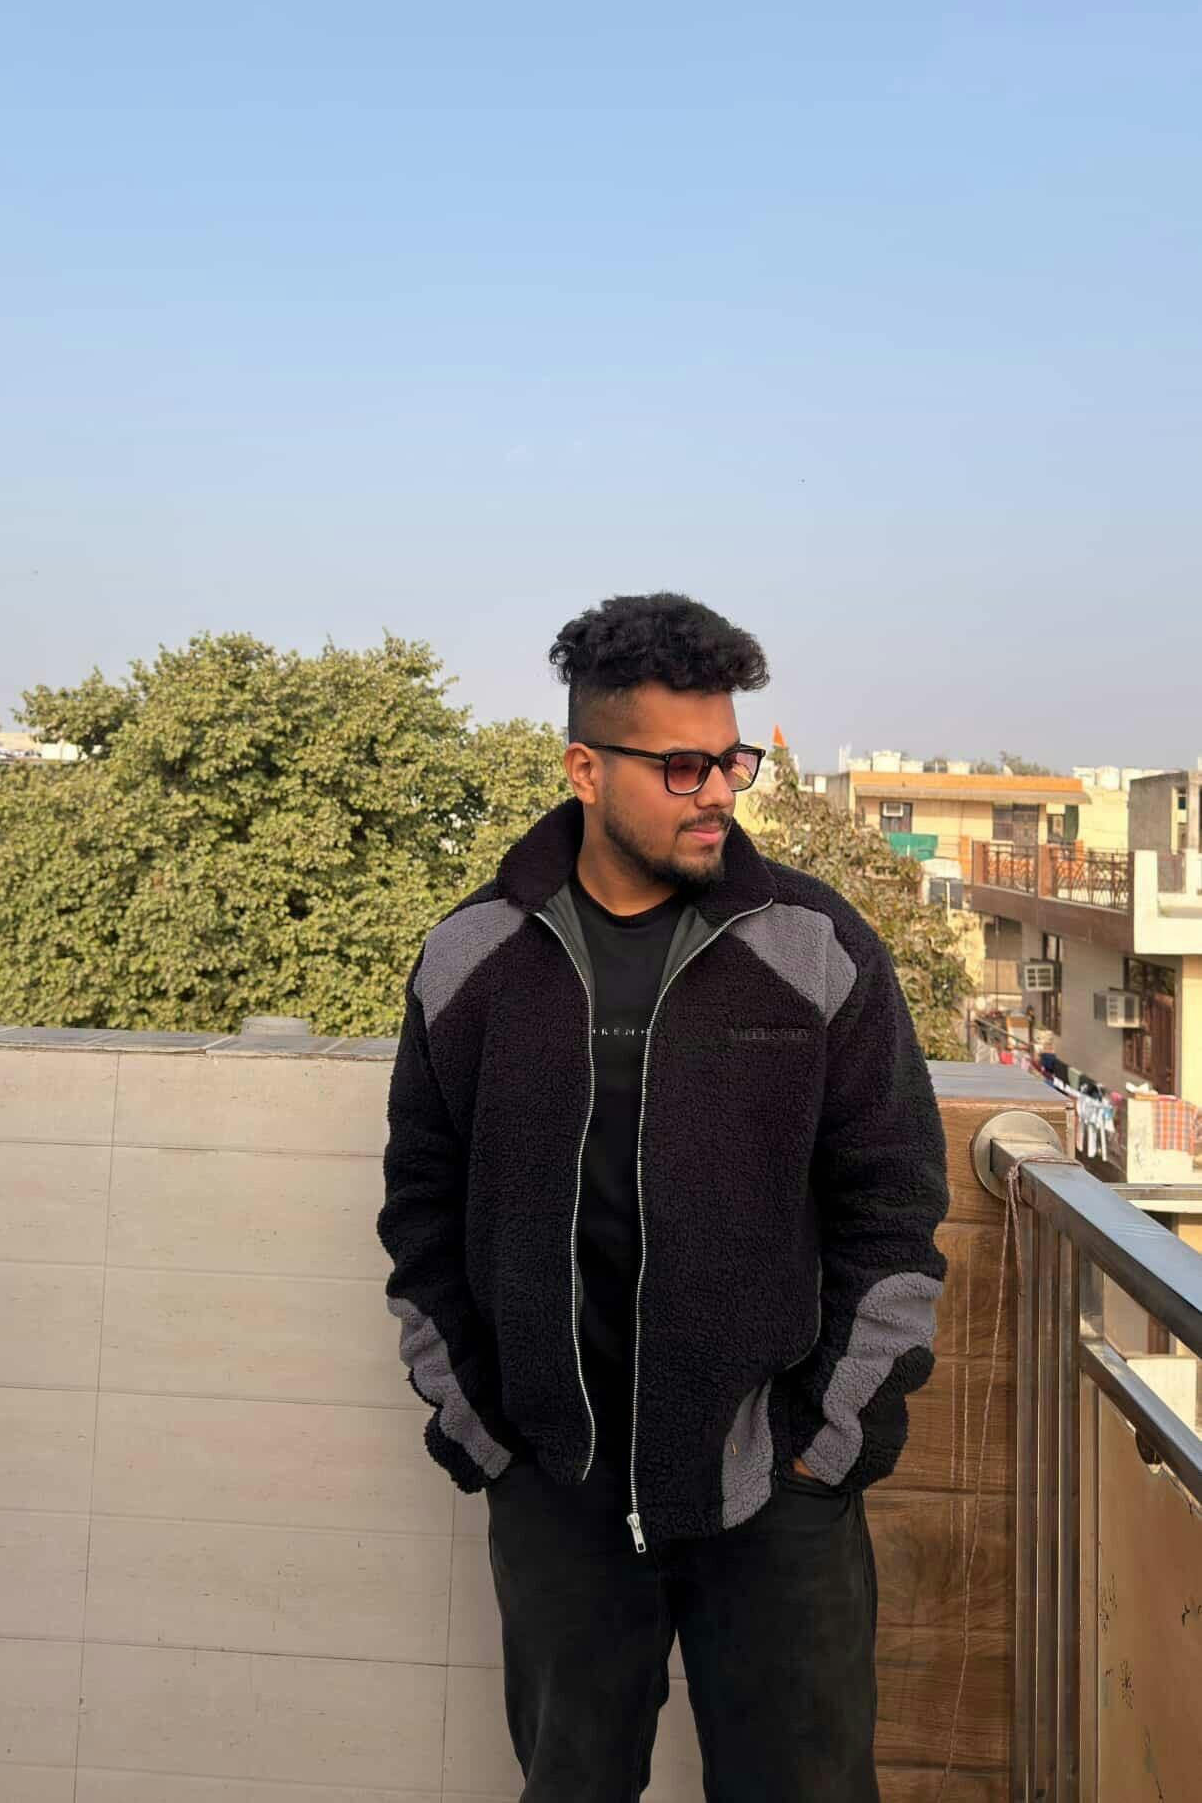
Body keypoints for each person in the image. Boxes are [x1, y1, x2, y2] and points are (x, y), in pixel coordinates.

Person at [377, 591, 949, 1802]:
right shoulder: (473, 956)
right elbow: (422, 1198)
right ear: (585, 769)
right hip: (558, 1483)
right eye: (681, 765)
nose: (718, 792)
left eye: (730, 759)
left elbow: (893, 1198)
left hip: (771, 1483)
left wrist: (827, 1441)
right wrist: (482, 1426)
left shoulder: (813, 945)